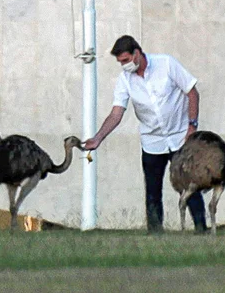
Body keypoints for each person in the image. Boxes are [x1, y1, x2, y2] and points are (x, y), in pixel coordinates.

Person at [82, 35, 207, 233]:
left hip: (180, 137)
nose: (123, 66)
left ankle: (201, 229)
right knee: (153, 191)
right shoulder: (125, 80)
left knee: (189, 185)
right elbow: (116, 113)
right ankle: (155, 233)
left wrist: (192, 126)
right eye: (120, 62)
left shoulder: (166, 64)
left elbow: (192, 92)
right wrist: (98, 138)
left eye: (125, 60)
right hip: (152, 141)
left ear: (137, 54)